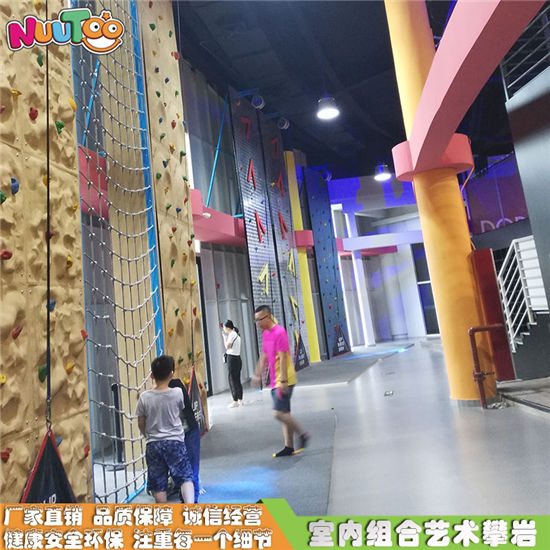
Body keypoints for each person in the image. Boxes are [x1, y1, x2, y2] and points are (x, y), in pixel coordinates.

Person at [252, 305, 310, 457]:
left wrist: (283, 381)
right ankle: (289, 447)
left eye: (259, 320)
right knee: (285, 413)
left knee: (278, 413)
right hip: (275, 379)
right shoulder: (266, 334)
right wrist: (258, 374)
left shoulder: (280, 332)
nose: (258, 323)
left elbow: (283, 357)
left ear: (268, 317)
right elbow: (264, 355)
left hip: (285, 379)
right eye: (256, 320)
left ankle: (302, 434)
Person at [135, 355, 194, 503]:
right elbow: (180, 412)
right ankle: (190, 508)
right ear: (171, 374)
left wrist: (147, 435)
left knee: (159, 484)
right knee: (185, 477)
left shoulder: (144, 397)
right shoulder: (177, 393)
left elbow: (141, 422)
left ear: (152, 376)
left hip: (153, 444)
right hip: (175, 442)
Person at [168, 377, 201, 503]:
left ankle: (191, 502)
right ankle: (188, 500)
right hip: (180, 434)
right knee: (186, 472)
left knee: (190, 472)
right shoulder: (159, 392)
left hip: (187, 432)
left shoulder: (174, 386)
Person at [222, 320, 243, 408]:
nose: (224, 329)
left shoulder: (232, 334)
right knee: (237, 380)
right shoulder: (236, 334)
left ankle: (235, 401)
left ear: (227, 328)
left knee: (232, 380)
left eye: (224, 327)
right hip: (237, 358)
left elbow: (227, 346)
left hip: (232, 359)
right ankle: (240, 400)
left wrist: (224, 338)